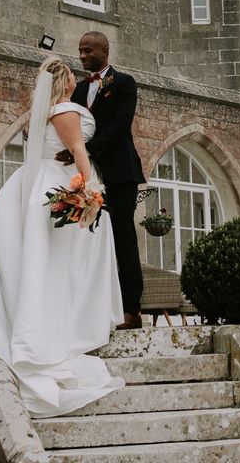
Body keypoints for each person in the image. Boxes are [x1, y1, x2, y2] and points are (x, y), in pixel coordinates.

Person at [0, 56, 125, 417]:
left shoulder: (42, 112)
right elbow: (77, 151)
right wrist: (89, 189)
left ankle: (56, 318)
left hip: (41, 184)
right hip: (61, 185)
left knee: (46, 262)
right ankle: (59, 326)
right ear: (65, 81)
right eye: (72, 76)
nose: (76, 80)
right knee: (62, 263)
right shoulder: (65, 109)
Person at [66, 31, 146, 329]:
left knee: (123, 238)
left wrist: (85, 151)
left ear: (105, 50)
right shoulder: (77, 90)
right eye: (80, 50)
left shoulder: (124, 83)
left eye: (88, 50)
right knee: (88, 237)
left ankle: (131, 310)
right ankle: (93, 307)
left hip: (119, 174)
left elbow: (120, 126)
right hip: (86, 177)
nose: (83, 55)